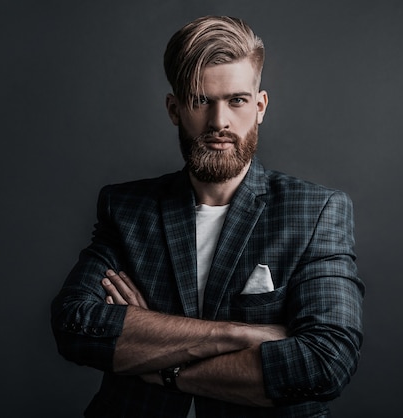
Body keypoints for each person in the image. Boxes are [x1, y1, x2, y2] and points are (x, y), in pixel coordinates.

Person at [51, 15, 364, 418]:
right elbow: (74, 325)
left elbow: (325, 362)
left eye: (236, 100)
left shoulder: (316, 212)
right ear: (174, 108)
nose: (219, 122)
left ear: (260, 106)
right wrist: (235, 333)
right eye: (201, 101)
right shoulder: (125, 208)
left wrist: (164, 363)